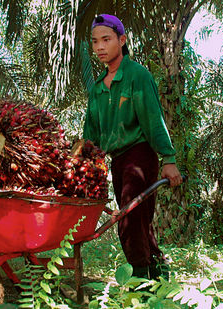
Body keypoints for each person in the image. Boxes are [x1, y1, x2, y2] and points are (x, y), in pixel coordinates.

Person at [83, 14, 183, 280]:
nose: (100, 47)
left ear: (122, 40)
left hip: (140, 156)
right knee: (139, 221)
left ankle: (141, 281)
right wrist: (81, 158)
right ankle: (159, 274)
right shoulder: (96, 90)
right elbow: (91, 135)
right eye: (95, 42)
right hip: (118, 162)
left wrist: (168, 159)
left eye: (106, 39)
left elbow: (153, 120)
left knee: (129, 219)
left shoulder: (137, 76)